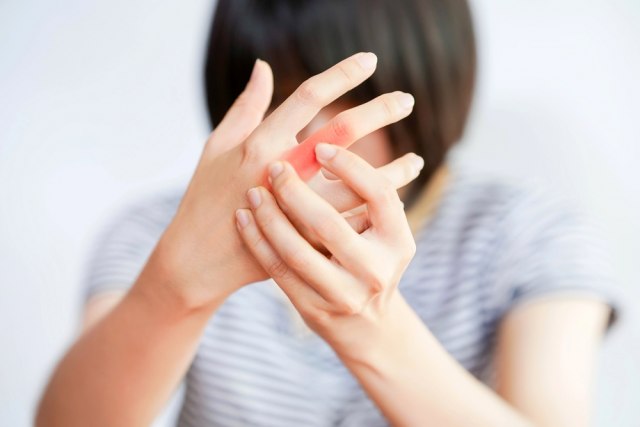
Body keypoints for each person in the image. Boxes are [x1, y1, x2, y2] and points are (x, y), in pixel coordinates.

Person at [37, 0, 618, 426]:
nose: (313, 139)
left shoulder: (529, 234)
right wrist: (174, 285)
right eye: (283, 99)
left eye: (352, 102)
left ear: (433, 81)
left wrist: (371, 329)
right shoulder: (155, 232)